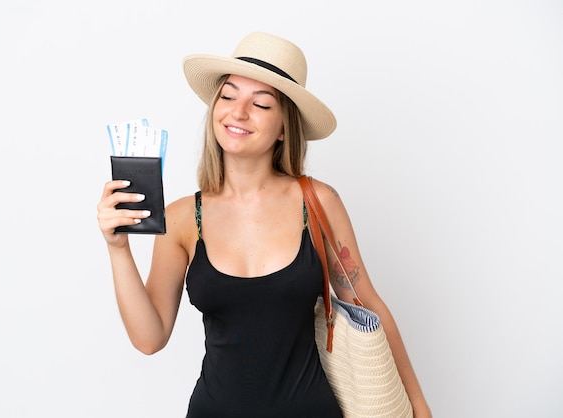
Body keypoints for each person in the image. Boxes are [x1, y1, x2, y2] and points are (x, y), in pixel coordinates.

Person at [97, 32, 432, 417]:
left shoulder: (318, 203)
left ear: (285, 127)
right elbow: (150, 338)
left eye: (260, 104)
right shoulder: (182, 218)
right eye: (227, 96)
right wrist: (117, 248)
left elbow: (367, 302)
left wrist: (418, 407)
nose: (237, 113)